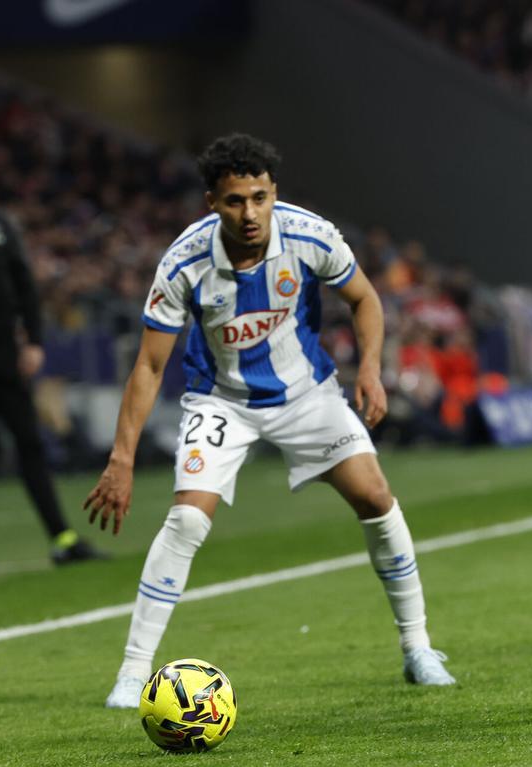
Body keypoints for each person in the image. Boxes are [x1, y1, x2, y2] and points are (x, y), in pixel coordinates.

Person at [89, 134, 455, 708]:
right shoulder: (184, 262)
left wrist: (371, 371)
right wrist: (122, 458)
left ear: (273, 192)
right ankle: (133, 673)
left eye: (259, 197)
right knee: (186, 521)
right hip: (221, 402)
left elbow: (365, 299)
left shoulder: (310, 235)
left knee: (376, 497)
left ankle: (418, 648)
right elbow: (150, 364)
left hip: (306, 394)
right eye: (235, 201)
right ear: (212, 201)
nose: (250, 212)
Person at [0, 166, 106, 573]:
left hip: (1, 354)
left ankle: (62, 539)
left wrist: (32, 340)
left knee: (30, 442)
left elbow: (25, 286)